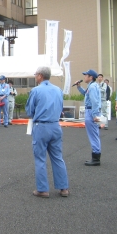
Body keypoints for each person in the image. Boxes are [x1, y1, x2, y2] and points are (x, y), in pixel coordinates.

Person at [25, 66, 69, 198]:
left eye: (35, 74)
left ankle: (43, 189)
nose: (35, 76)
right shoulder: (58, 90)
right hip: (55, 125)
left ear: (40, 76)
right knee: (57, 157)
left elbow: (30, 110)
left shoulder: (36, 90)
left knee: (40, 158)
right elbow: (61, 107)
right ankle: (63, 188)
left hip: (41, 126)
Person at [76, 69, 102, 166]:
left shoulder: (92, 87)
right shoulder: (91, 86)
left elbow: (94, 101)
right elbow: (87, 96)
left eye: (86, 75)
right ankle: (96, 156)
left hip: (91, 111)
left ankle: (96, 157)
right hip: (91, 110)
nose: (84, 77)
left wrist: (95, 115)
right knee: (94, 134)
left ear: (91, 77)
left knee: (93, 135)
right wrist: (79, 87)